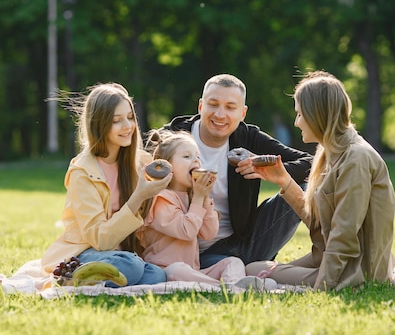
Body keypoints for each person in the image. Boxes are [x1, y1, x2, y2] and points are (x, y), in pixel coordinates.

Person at [244, 70, 395, 291]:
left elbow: (344, 234)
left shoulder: (356, 158)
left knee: (254, 271)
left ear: (317, 114)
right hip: (330, 258)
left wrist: (323, 286)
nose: (297, 122)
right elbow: (320, 224)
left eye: (300, 114)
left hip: (356, 271)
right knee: (254, 268)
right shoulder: (330, 152)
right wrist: (284, 181)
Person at [161, 74, 312, 269]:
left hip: (242, 244)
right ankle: (240, 269)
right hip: (181, 250)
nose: (220, 114)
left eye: (230, 107)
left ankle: (246, 266)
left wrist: (264, 167)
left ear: (242, 113)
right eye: (213, 104)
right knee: (234, 269)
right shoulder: (173, 137)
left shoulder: (248, 138)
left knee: (305, 187)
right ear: (201, 106)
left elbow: (311, 163)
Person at [41, 83, 172, 287]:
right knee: (132, 267)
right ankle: (72, 275)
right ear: (99, 124)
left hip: (120, 255)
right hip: (85, 252)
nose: (128, 126)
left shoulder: (141, 163)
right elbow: (99, 240)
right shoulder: (82, 173)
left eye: (130, 117)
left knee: (156, 275)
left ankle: (93, 281)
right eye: (117, 120)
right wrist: (139, 196)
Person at [138, 130, 252, 286]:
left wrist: (204, 198)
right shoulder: (160, 199)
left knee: (233, 262)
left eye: (198, 156)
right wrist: (199, 197)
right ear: (166, 164)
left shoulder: (193, 198)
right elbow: (186, 230)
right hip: (164, 271)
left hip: (193, 272)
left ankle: (234, 284)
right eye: (187, 156)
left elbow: (209, 233)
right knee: (177, 270)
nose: (196, 161)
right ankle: (225, 288)